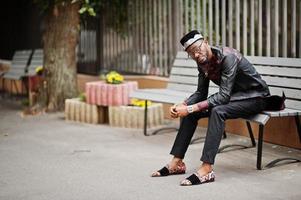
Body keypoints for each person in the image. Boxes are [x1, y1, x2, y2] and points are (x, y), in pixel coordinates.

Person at [151, 30, 270, 186]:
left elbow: (223, 96)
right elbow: (201, 92)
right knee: (192, 113)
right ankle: (177, 162)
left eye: (197, 49)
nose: (196, 55)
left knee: (218, 111)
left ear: (206, 42)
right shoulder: (202, 63)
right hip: (235, 98)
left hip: (257, 97)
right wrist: (184, 105)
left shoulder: (228, 57)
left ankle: (207, 169)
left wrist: (191, 108)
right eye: (191, 53)